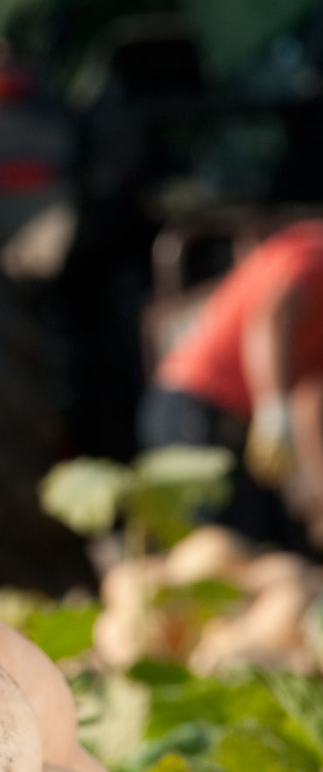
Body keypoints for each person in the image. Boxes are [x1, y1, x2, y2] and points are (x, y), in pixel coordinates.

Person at [139, 219, 323, 552]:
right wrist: (274, 409)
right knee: (217, 547)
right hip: (195, 404)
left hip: (236, 417)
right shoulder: (313, 253)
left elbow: (311, 395)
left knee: (266, 544)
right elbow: (271, 318)